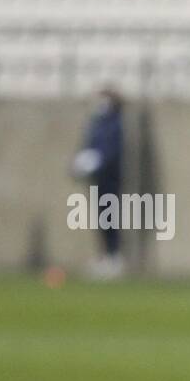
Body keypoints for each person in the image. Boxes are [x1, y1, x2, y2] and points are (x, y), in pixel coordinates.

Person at [71, 87, 125, 279]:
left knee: (110, 217)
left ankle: (114, 257)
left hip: (111, 178)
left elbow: (112, 151)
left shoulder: (116, 124)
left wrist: (99, 161)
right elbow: (89, 145)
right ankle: (105, 256)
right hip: (97, 179)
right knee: (101, 218)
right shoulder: (96, 123)